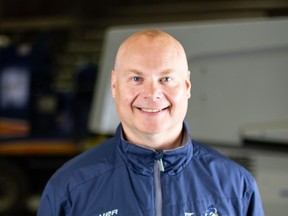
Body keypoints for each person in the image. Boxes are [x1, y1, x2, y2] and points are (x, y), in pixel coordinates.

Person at [37, 29, 264, 216]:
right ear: (115, 86)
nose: (153, 93)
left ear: (186, 86)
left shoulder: (237, 187)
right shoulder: (69, 187)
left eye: (166, 79)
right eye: (136, 78)